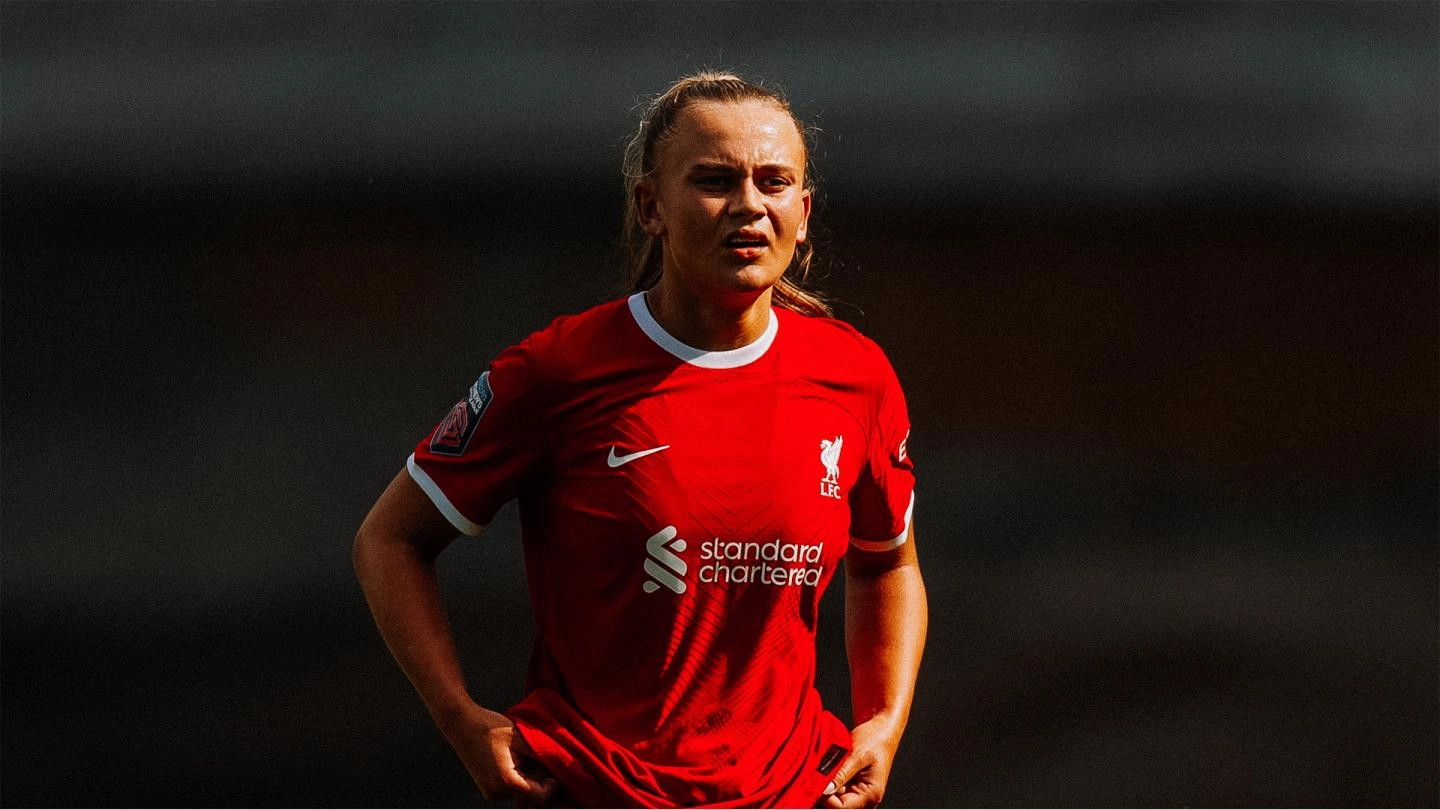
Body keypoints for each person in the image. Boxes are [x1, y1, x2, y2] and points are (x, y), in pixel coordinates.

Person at [354, 72, 927, 808]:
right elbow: (390, 540)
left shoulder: (856, 376)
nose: (749, 205)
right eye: (715, 180)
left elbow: (886, 565)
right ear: (650, 206)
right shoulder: (558, 370)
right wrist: (461, 719)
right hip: (595, 789)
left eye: (775, 182)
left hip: (792, 793)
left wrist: (884, 723)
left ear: (804, 212)